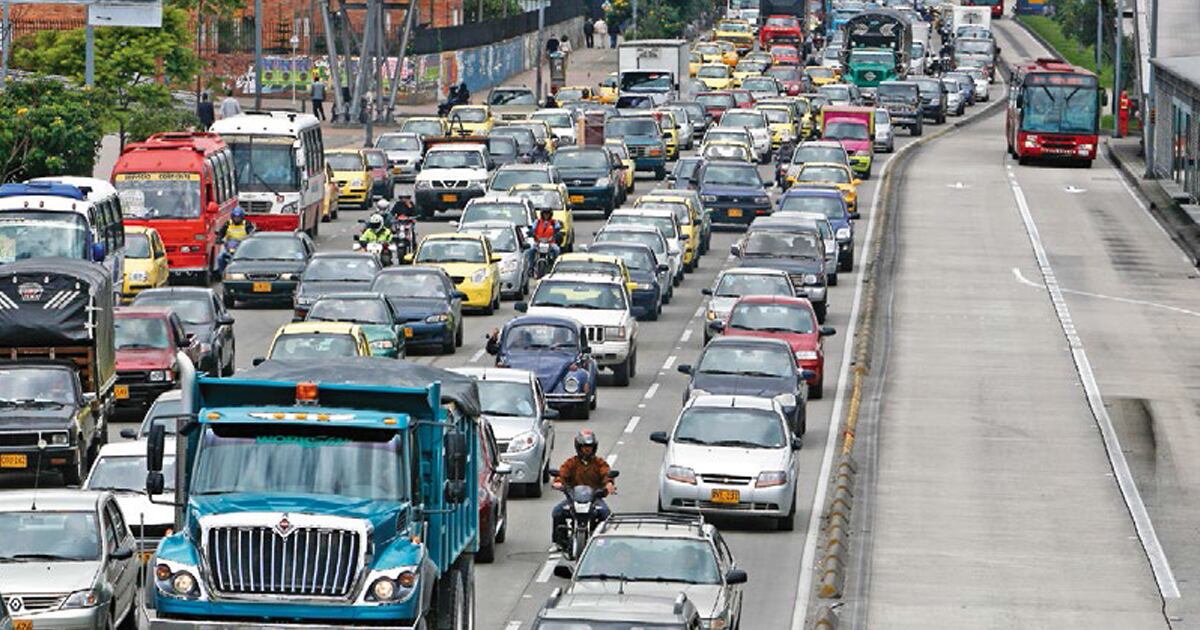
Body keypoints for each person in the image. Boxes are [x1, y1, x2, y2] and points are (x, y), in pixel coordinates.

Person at [551, 430, 615, 550]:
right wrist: (558, 482)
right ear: (579, 447)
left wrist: (609, 483)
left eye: (590, 447)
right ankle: (559, 542)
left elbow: (606, 474)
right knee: (557, 512)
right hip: (574, 499)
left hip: (594, 499)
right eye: (584, 447)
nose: (587, 449)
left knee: (606, 514)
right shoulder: (572, 462)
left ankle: (602, 542)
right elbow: (562, 473)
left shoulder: (599, 463)